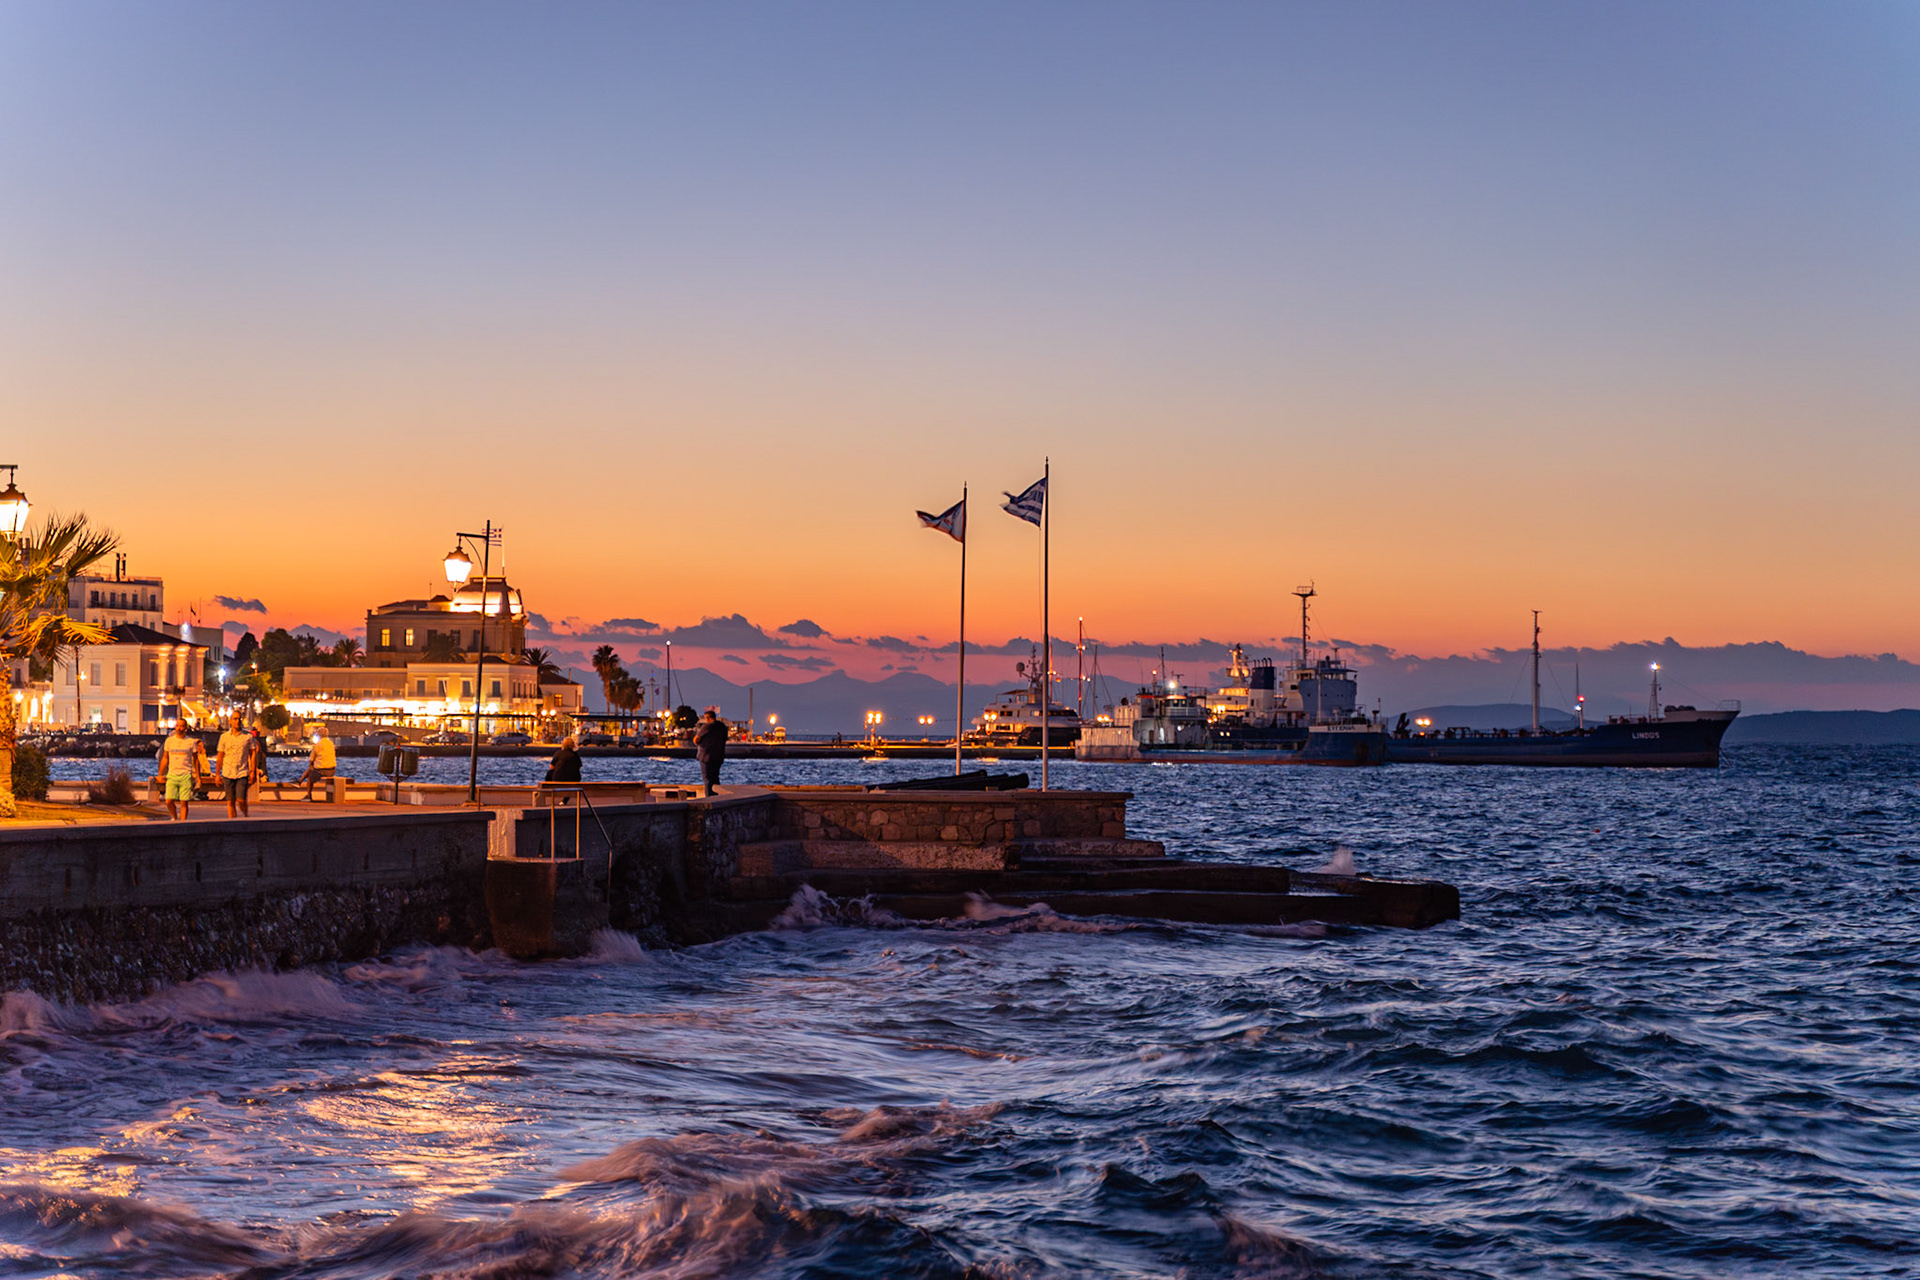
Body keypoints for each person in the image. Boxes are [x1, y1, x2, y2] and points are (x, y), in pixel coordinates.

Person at [156, 720, 207, 821]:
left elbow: (196, 760)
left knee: (184, 802)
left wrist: (198, 777)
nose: (179, 728)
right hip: (172, 774)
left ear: (186, 728)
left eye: (182, 726)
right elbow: (165, 758)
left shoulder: (191, 742)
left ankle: (183, 822)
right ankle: (174, 817)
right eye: (177, 726)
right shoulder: (169, 741)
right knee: (169, 801)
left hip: (186, 774)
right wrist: (160, 773)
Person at [216, 712, 257, 818]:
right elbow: (220, 756)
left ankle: (245, 814)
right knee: (230, 802)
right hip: (227, 771)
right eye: (234, 719)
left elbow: (252, 754)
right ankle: (232, 822)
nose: (237, 721)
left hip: (242, 771)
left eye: (239, 719)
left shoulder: (248, 736)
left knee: (241, 799)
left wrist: (253, 771)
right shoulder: (224, 737)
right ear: (230, 721)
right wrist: (217, 774)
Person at [296, 725, 337, 800]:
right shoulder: (331, 744)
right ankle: (299, 781)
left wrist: (311, 767)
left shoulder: (317, 745)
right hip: (332, 770)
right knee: (311, 770)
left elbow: (311, 760)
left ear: (318, 735)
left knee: (310, 776)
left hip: (321, 771)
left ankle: (308, 795)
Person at [693, 709, 728, 797]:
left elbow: (696, 739)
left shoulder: (707, 726)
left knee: (707, 779)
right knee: (715, 779)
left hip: (706, 756)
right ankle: (717, 798)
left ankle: (709, 798)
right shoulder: (722, 727)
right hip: (719, 756)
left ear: (707, 718)